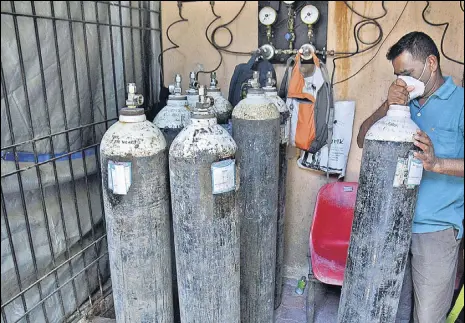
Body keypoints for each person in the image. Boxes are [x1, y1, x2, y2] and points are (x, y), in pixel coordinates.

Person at [357, 31, 464, 323]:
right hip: (392, 224)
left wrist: (437, 162)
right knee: (388, 311)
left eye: (408, 73)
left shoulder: (461, 103)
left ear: (431, 63)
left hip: (436, 229)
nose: (402, 82)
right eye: (397, 76)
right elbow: (363, 139)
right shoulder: (404, 106)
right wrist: (388, 105)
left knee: (427, 317)